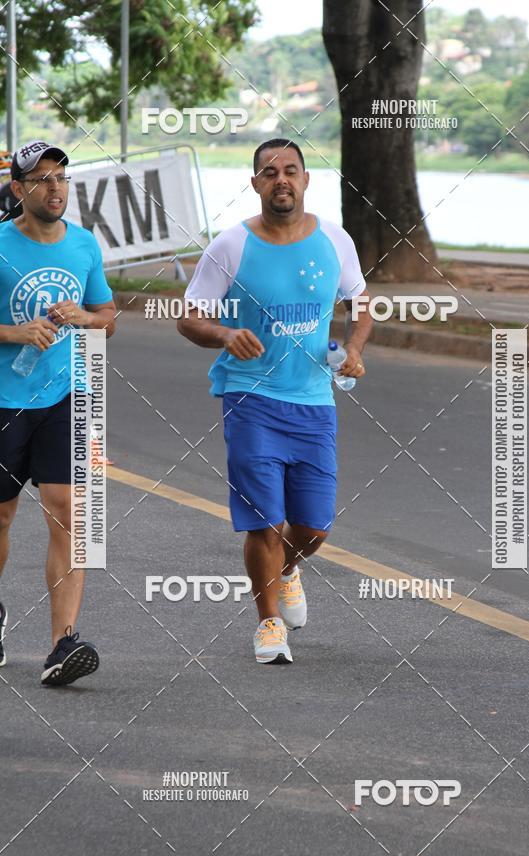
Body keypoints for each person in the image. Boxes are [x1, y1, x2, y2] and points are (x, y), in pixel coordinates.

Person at [178, 138, 372, 664]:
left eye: (291, 170)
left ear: (306, 180)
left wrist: (353, 348)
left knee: (312, 526)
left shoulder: (335, 240)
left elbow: (361, 303)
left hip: (313, 401)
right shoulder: (230, 247)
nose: (281, 178)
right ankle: (267, 624)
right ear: (256, 183)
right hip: (250, 398)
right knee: (263, 519)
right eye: (269, 171)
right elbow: (190, 317)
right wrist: (223, 336)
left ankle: (287, 568)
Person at [0, 139, 116, 685]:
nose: (55, 188)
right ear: (19, 189)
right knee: (1, 517)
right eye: (43, 179)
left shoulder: (84, 246)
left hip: (66, 395)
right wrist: (14, 332)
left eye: (62, 178)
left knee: (70, 510)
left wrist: (85, 318)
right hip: (3, 400)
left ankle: (61, 644)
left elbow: (109, 315)